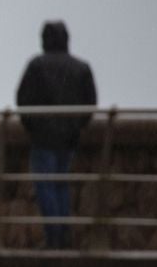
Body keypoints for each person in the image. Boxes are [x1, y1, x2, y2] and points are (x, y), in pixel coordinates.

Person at [16, 20, 97, 249]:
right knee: (61, 184)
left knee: (45, 185)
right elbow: (89, 104)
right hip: (69, 137)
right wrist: (77, 125)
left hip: (43, 137)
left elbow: (23, 100)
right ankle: (65, 234)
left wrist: (32, 126)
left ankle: (54, 237)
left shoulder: (37, 66)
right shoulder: (81, 67)